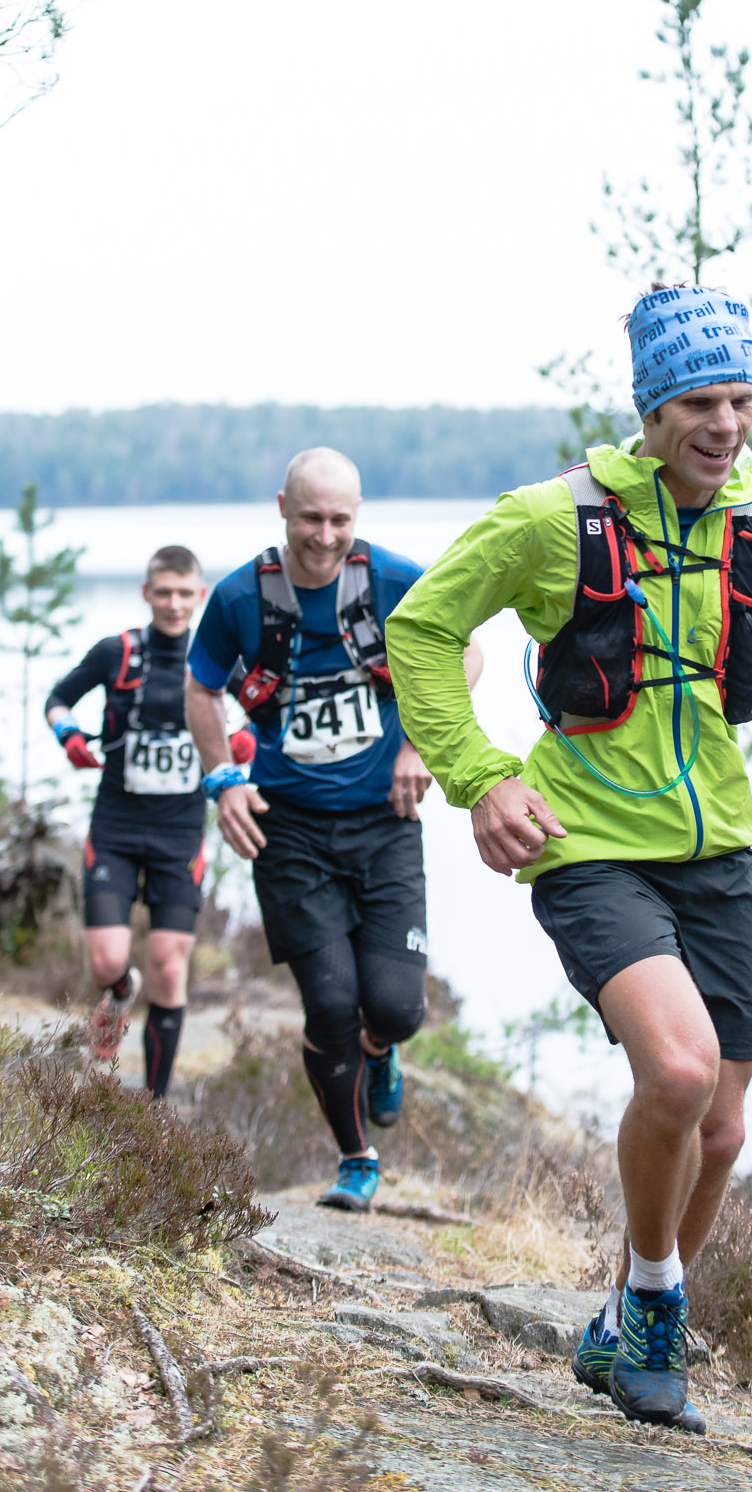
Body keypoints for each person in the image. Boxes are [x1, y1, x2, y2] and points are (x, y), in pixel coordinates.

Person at [385, 284, 752, 1434]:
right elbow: (420, 628)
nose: (724, 425)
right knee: (676, 1074)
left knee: (720, 1130)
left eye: (740, 398)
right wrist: (481, 776)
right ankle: (660, 1307)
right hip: (585, 845)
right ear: (650, 406)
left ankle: (622, 1311)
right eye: (698, 402)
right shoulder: (552, 519)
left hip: (720, 849)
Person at [185, 446, 482, 1212]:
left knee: (394, 1009)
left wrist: (419, 744)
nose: (324, 535)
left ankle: (381, 1053)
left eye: (340, 520)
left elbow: (470, 652)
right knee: (328, 1006)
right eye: (311, 517)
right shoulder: (238, 598)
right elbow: (201, 687)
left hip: (385, 823)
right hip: (287, 830)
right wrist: (224, 784)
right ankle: (355, 1158)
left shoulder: (390, 580)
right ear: (281, 506)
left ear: (358, 515)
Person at [46, 544, 246, 1099]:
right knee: (108, 958)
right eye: (164, 592)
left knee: (168, 963)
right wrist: (69, 735)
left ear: (201, 596)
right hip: (115, 825)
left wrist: (245, 745)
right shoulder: (118, 652)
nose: (175, 604)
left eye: (186, 593)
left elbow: (269, 712)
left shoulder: (218, 659)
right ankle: (118, 991)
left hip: (179, 833)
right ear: (147, 593)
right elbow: (59, 699)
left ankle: (154, 1104)